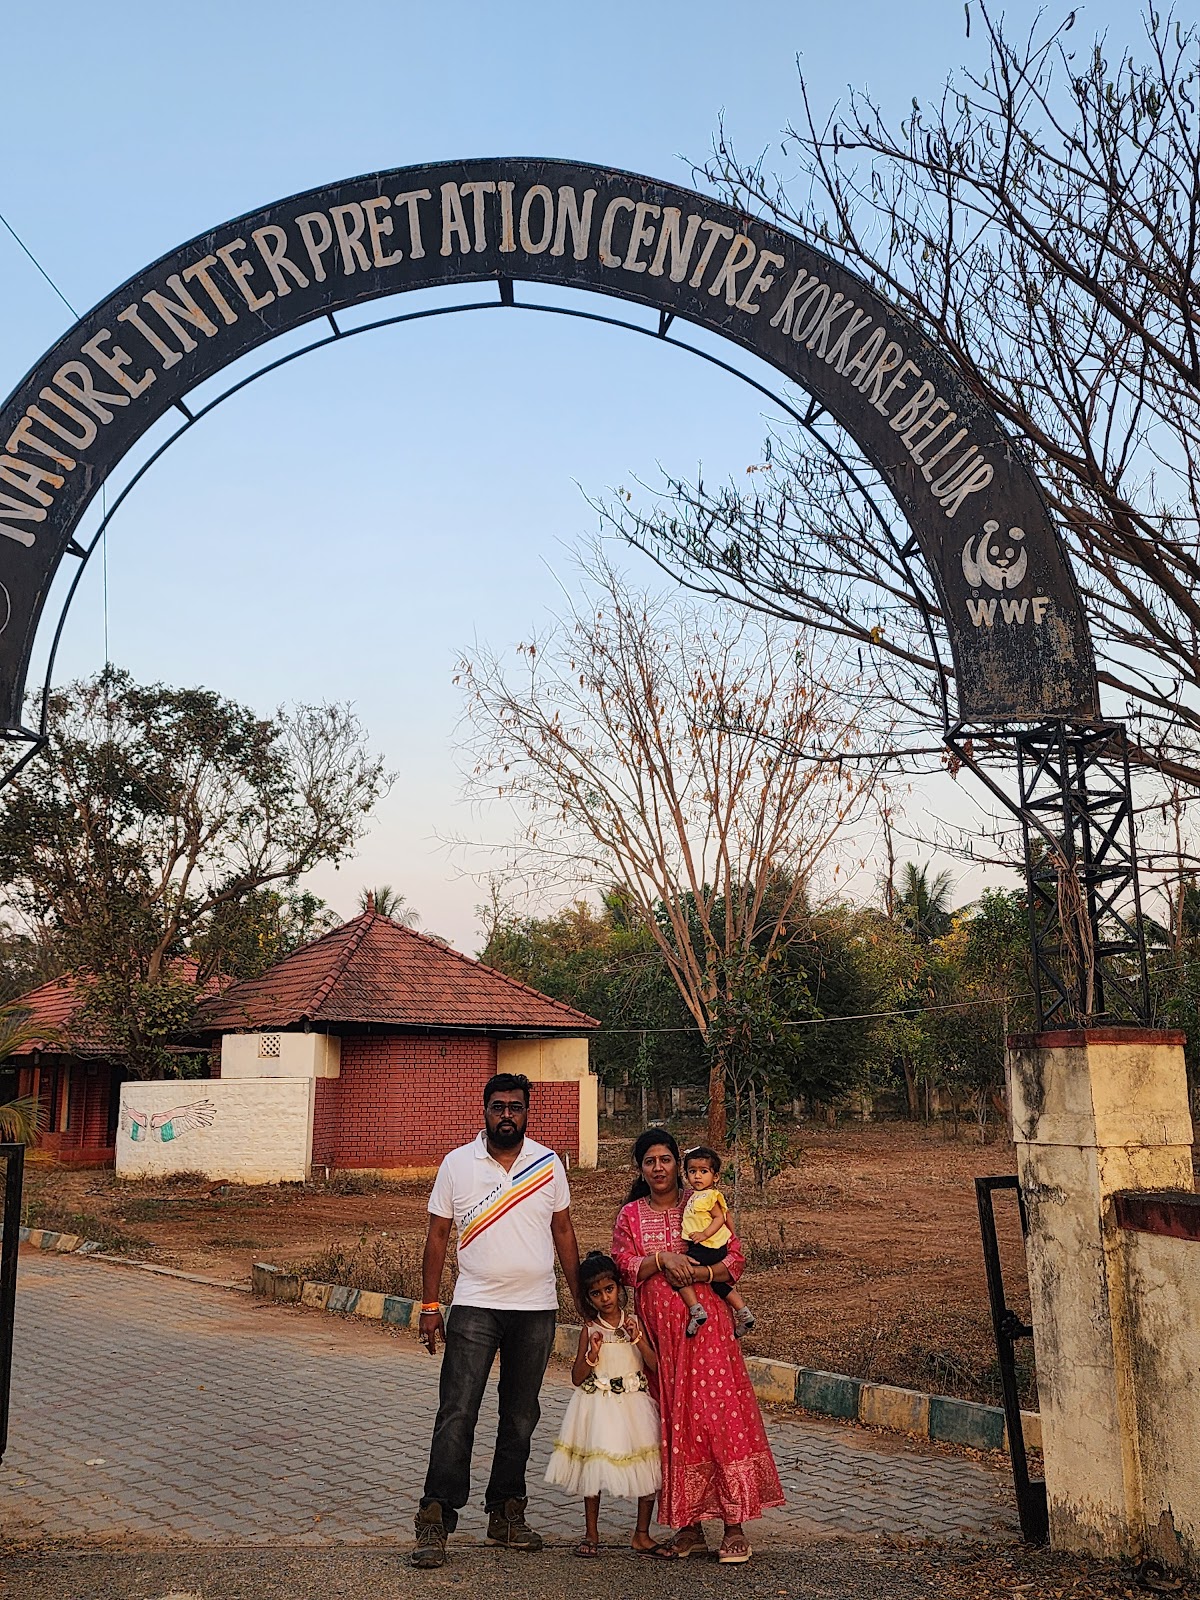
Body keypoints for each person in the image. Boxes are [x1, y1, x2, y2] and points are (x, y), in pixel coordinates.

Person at [411, 1072, 583, 1570]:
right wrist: (429, 1306)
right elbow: (438, 1235)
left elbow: (564, 1232)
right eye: (498, 1106)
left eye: (516, 1107)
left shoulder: (547, 1164)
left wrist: (582, 1303)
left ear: (527, 1112)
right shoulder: (457, 1164)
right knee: (457, 1412)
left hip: (536, 1309)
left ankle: (506, 1513)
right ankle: (435, 1519)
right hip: (475, 1306)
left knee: (521, 1415)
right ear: (484, 1110)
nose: (507, 1115)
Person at [611, 1127, 784, 1564]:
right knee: (674, 1423)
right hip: (660, 1339)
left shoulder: (702, 1202)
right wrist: (660, 1259)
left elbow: (735, 1258)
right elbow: (624, 1265)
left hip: (706, 1333)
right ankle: (689, 1526)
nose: (658, 1168)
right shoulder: (630, 1215)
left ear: (679, 1164)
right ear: (640, 1169)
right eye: (649, 1161)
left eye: (665, 1159)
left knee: (715, 1418)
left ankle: (733, 1524)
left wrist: (702, 1274)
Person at [545, 1250, 661, 1557]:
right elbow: (576, 1377)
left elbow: (654, 1365)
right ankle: (591, 1533)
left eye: (609, 1289)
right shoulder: (591, 1329)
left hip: (635, 1407)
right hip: (598, 1407)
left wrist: (637, 1339)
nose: (605, 1298)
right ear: (588, 1298)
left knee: (647, 1466)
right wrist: (592, 1355)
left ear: (619, 1287)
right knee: (594, 1467)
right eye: (596, 1294)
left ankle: (642, 1534)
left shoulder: (635, 1323)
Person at [676, 1146, 755, 1338]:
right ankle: (744, 1314)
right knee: (719, 1285)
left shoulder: (709, 1196)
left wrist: (704, 1234)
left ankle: (696, 1311)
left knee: (679, 1274)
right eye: (692, 1171)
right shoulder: (696, 1195)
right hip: (708, 1245)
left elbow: (720, 1217)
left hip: (707, 1246)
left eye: (703, 1171)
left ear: (716, 1176)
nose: (697, 1176)